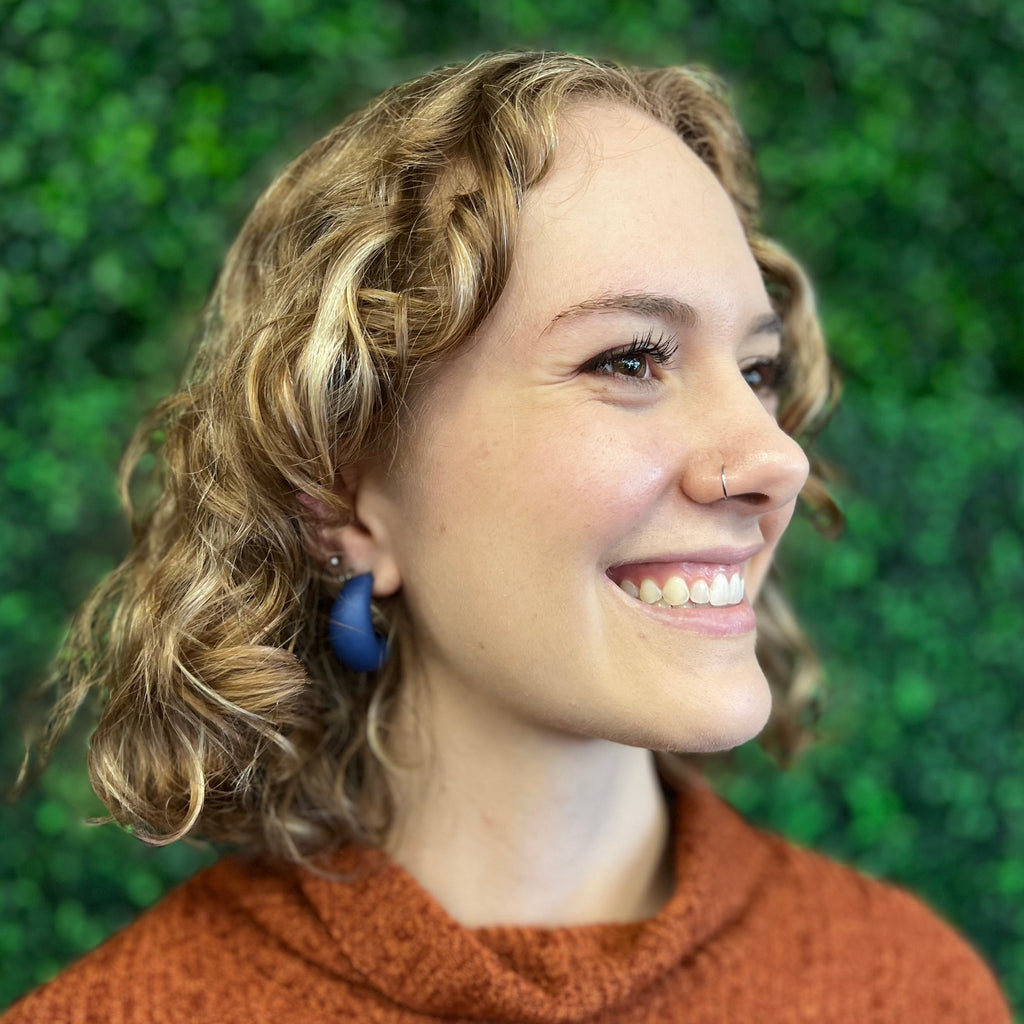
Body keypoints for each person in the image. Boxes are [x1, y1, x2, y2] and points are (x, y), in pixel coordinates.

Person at [4, 50, 1011, 1023]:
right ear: (342, 496)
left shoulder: (907, 991)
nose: (775, 458)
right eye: (628, 359)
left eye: (756, 371)